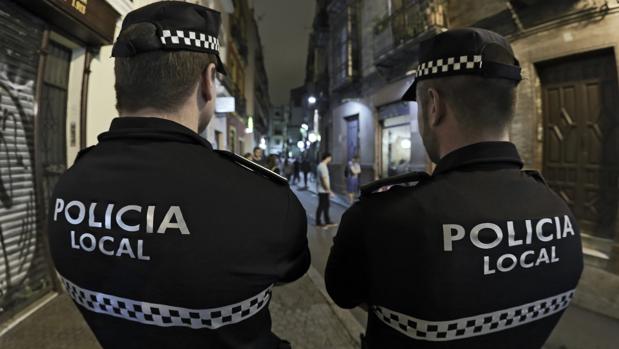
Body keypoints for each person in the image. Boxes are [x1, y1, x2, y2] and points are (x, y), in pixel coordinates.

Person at [47, 3, 308, 349]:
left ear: (120, 81)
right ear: (207, 81)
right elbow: (291, 269)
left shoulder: (67, 186)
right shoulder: (264, 200)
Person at [325, 28, 583, 349]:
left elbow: (346, 293)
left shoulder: (380, 217)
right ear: (510, 107)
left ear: (434, 106)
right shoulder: (561, 213)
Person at [316, 153, 335, 228]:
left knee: (326, 206)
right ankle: (319, 222)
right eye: (330, 158)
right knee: (322, 206)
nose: (330, 159)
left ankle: (327, 221)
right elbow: (324, 180)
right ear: (327, 158)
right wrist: (329, 191)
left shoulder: (321, 165)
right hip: (323, 190)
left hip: (323, 190)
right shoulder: (323, 167)